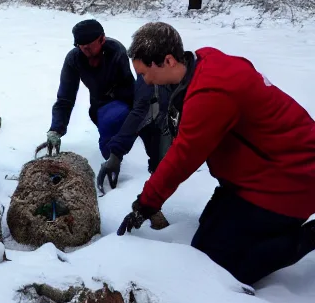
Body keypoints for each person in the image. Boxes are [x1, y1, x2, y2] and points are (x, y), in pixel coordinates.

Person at [117, 22, 315, 286]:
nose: (144, 80)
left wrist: (146, 204)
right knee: (205, 241)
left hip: (291, 181)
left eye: (144, 73)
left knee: (222, 269)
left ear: (167, 60)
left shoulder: (211, 94)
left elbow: (182, 158)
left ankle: (306, 236)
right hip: (259, 174)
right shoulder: (206, 61)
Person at [41, 19, 171, 194]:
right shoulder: (74, 59)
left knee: (123, 122)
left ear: (102, 39)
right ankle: (112, 166)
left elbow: (132, 89)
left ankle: (128, 175)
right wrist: (56, 129)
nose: (85, 50)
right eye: (81, 46)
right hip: (100, 107)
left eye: (90, 46)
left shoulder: (116, 51)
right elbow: (65, 97)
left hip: (126, 102)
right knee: (108, 141)